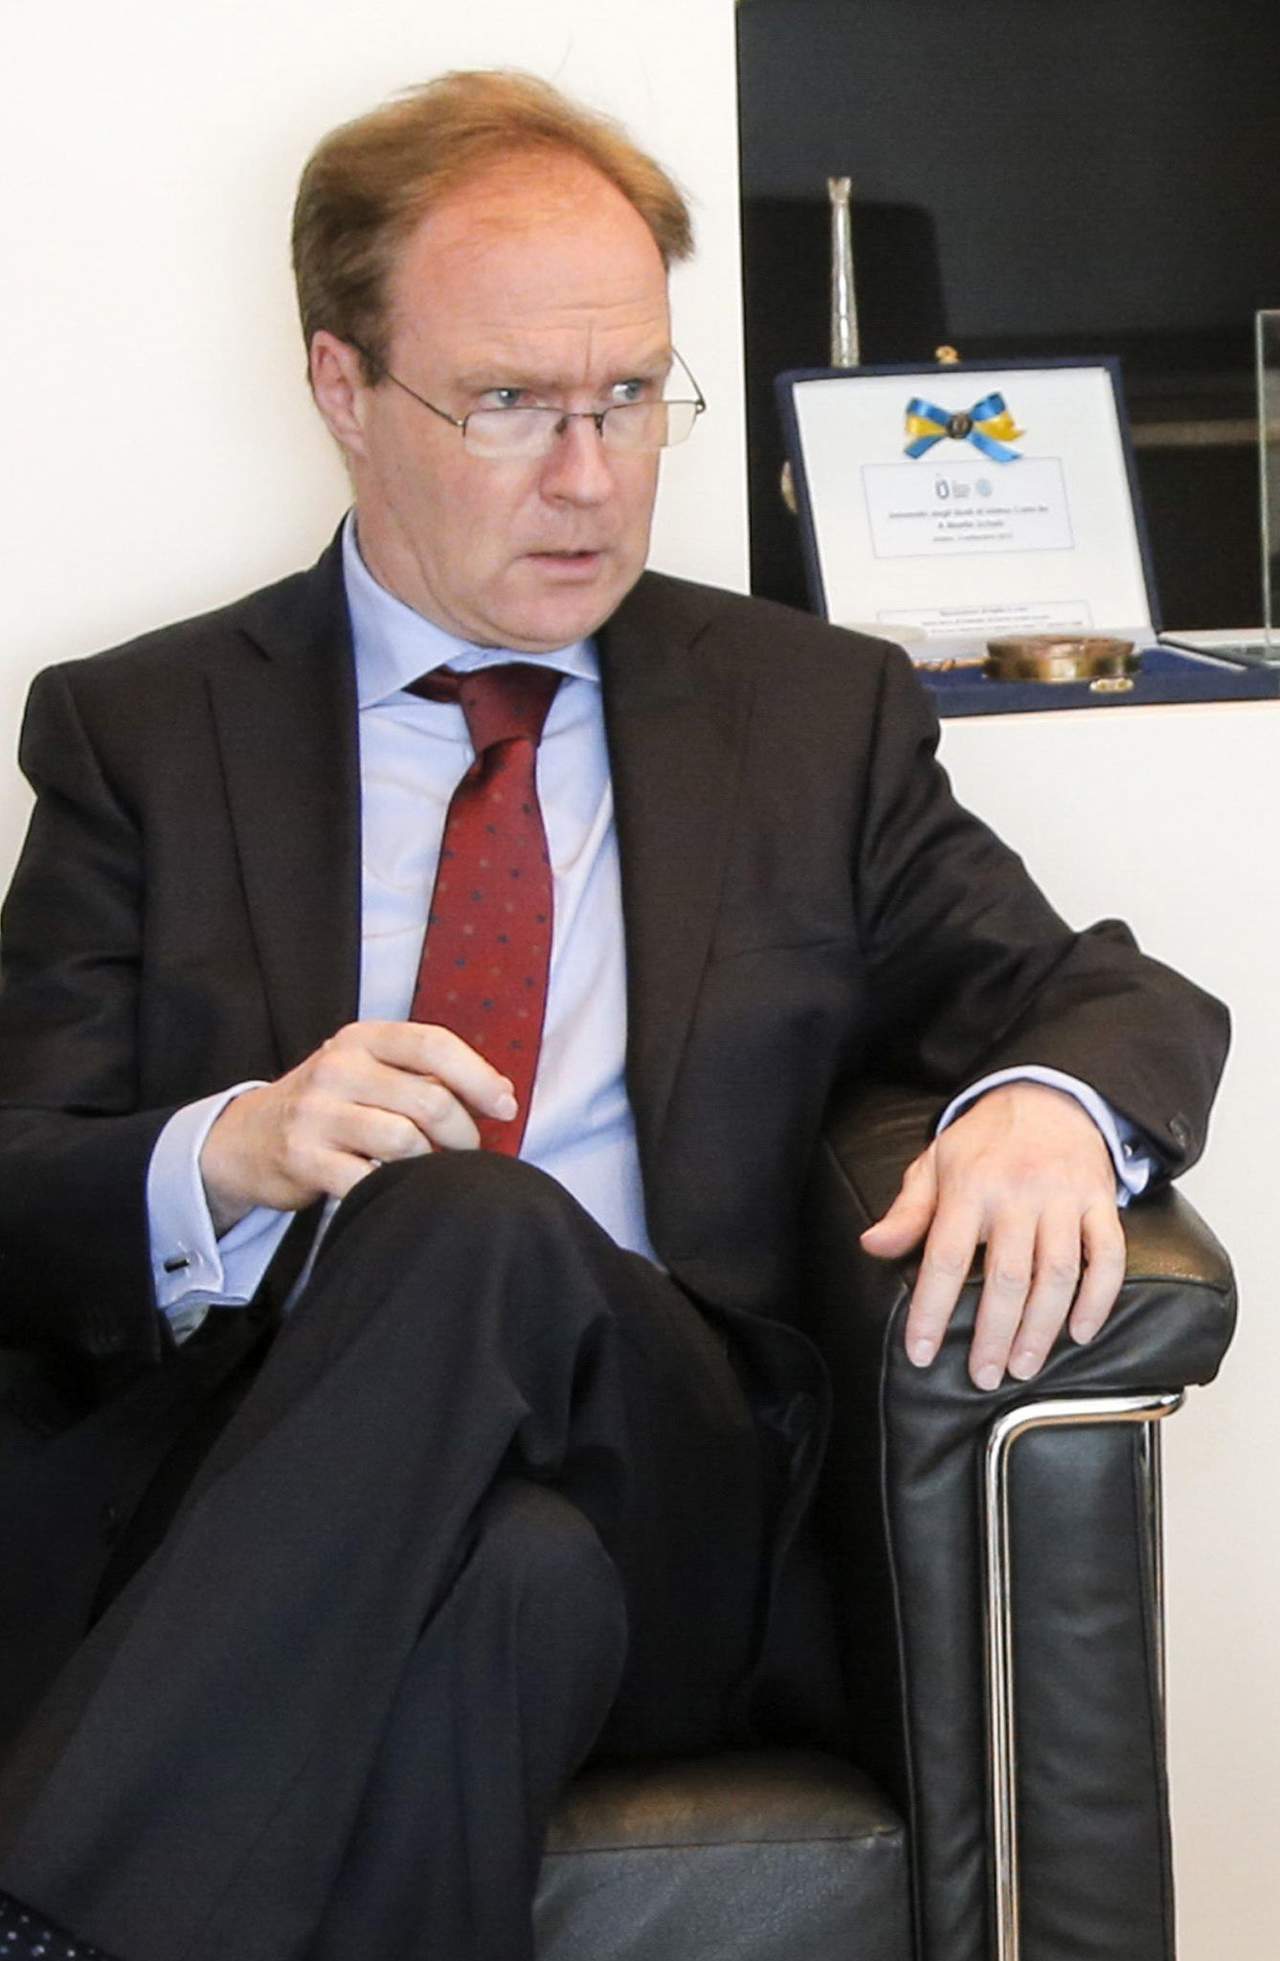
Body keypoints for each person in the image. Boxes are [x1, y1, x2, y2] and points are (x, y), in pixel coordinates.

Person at [0, 69, 1226, 1961]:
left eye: (633, 395)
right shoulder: (145, 734)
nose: (592, 475)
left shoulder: (802, 718)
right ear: (342, 386)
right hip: (258, 1495)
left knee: (469, 1221)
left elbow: (1112, 991)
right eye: (510, 402)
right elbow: (20, 1180)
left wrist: (1051, 1103)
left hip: (676, 1489)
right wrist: (229, 1151)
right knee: (508, 1585)